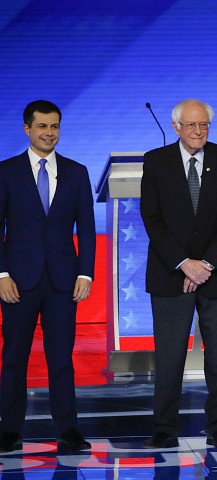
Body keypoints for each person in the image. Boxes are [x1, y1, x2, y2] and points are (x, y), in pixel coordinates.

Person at [140, 99, 217, 449]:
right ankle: (164, 427)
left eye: (204, 126)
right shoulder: (156, 162)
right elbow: (152, 219)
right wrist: (185, 263)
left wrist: (207, 265)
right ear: (176, 127)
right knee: (169, 355)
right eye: (191, 126)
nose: (198, 132)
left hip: (216, 273)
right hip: (171, 274)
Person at [0, 100, 96, 453]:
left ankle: (68, 431)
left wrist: (85, 272)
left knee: (61, 358)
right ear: (27, 129)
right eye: (42, 127)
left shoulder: (76, 172)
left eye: (54, 126)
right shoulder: (6, 172)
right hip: (16, 283)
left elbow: (86, 226)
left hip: (62, 281)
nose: (49, 133)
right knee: (14, 357)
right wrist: (1, 273)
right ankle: (9, 430)